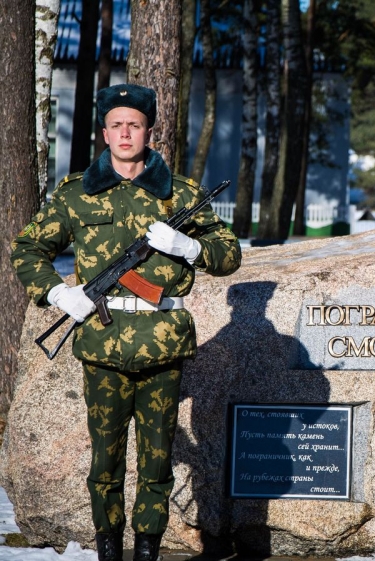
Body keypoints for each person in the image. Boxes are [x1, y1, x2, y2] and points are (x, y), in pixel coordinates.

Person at [10, 84, 242, 561]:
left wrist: (191, 249)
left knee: (156, 461)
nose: (125, 133)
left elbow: (229, 254)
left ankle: (147, 551)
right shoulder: (77, 193)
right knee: (105, 463)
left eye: (134, 124)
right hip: (104, 342)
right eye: (116, 124)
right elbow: (28, 249)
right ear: (104, 133)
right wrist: (58, 292)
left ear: (149, 132)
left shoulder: (181, 194)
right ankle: (108, 550)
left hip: (162, 345)